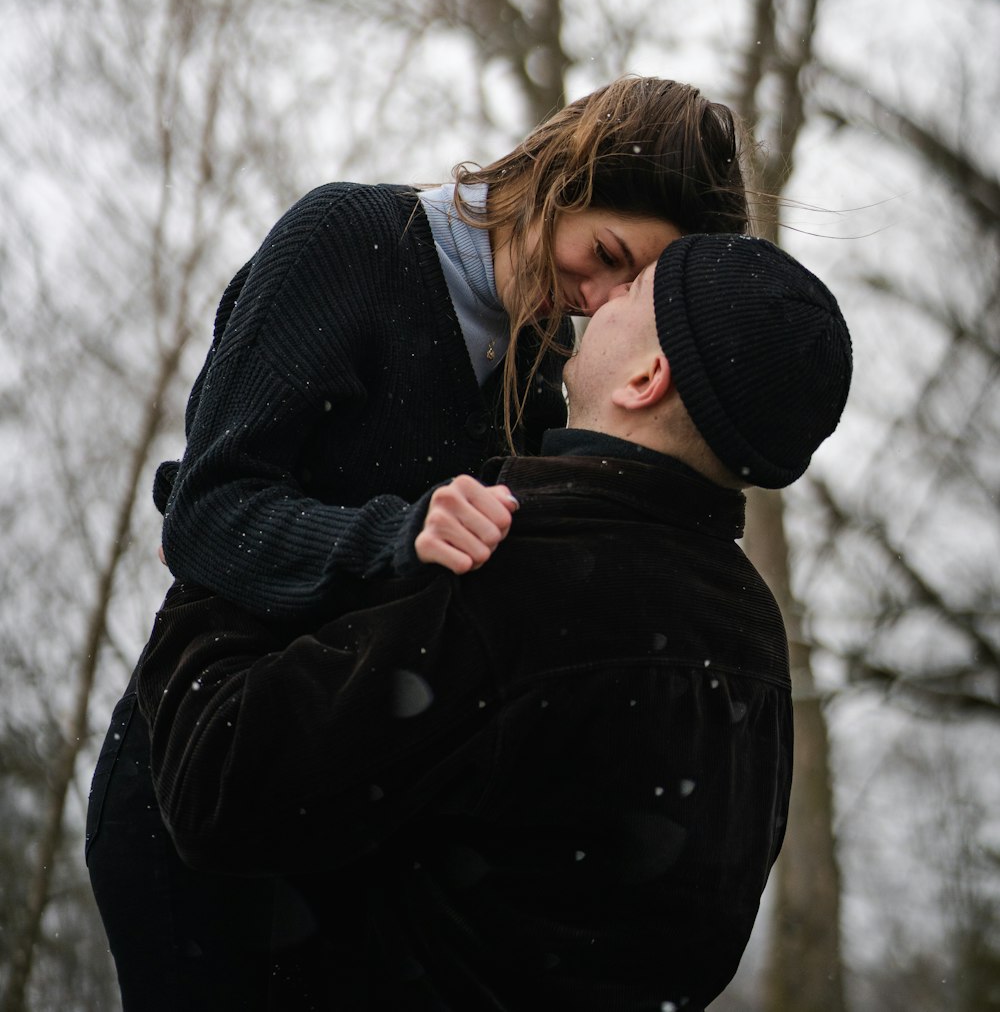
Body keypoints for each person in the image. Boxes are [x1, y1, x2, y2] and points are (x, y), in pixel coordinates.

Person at [86, 76, 749, 1011]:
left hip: (343, 830)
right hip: (197, 791)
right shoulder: (346, 241)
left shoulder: (547, 369)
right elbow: (206, 515)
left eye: (628, 289)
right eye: (605, 254)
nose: (597, 300)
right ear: (563, 171)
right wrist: (396, 535)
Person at [136, 232, 853, 1012]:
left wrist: (224, 541)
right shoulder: (755, 639)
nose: (600, 296)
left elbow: (219, 781)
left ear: (648, 378)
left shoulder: (525, 576)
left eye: (634, 292)